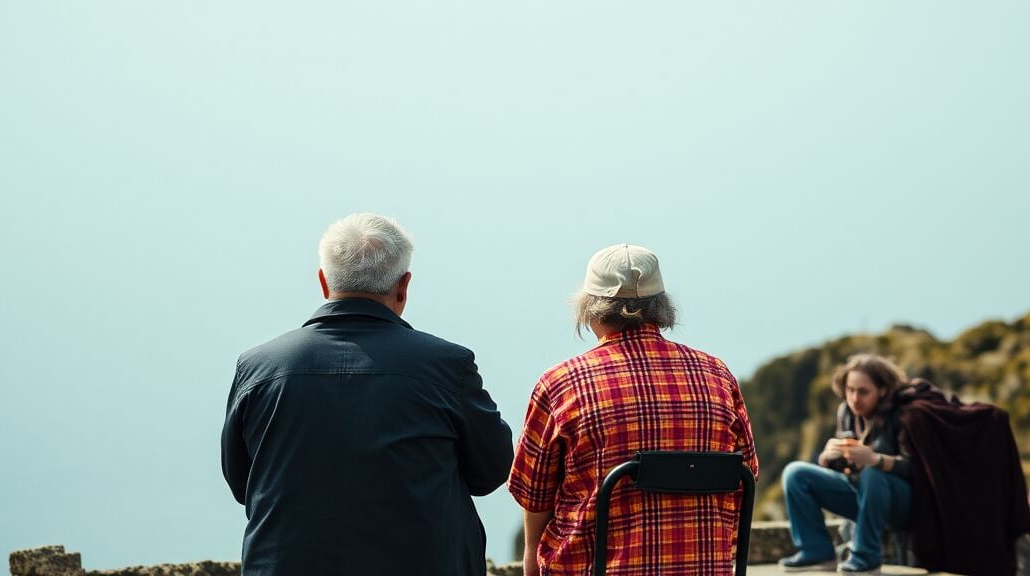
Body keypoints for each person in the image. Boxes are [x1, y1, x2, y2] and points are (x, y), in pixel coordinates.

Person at [221, 213, 513, 576]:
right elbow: (491, 471)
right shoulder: (448, 365)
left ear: (324, 282)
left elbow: (242, 482)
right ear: (404, 286)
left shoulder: (258, 367)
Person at [508, 243, 759, 576]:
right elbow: (747, 474)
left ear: (590, 308)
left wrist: (530, 555)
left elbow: (534, 491)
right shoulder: (717, 374)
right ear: (662, 306)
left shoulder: (561, 384)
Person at [779, 354, 913, 575]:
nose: (854, 398)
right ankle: (816, 552)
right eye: (850, 390)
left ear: (882, 390)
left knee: (872, 473)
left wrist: (875, 459)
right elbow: (847, 470)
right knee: (795, 473)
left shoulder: (904, 414)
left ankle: (866, 557)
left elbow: (917, 468)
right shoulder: (847, 412)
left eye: (863, 391)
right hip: (861, 495)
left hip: (901, 502)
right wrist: (828, 458)